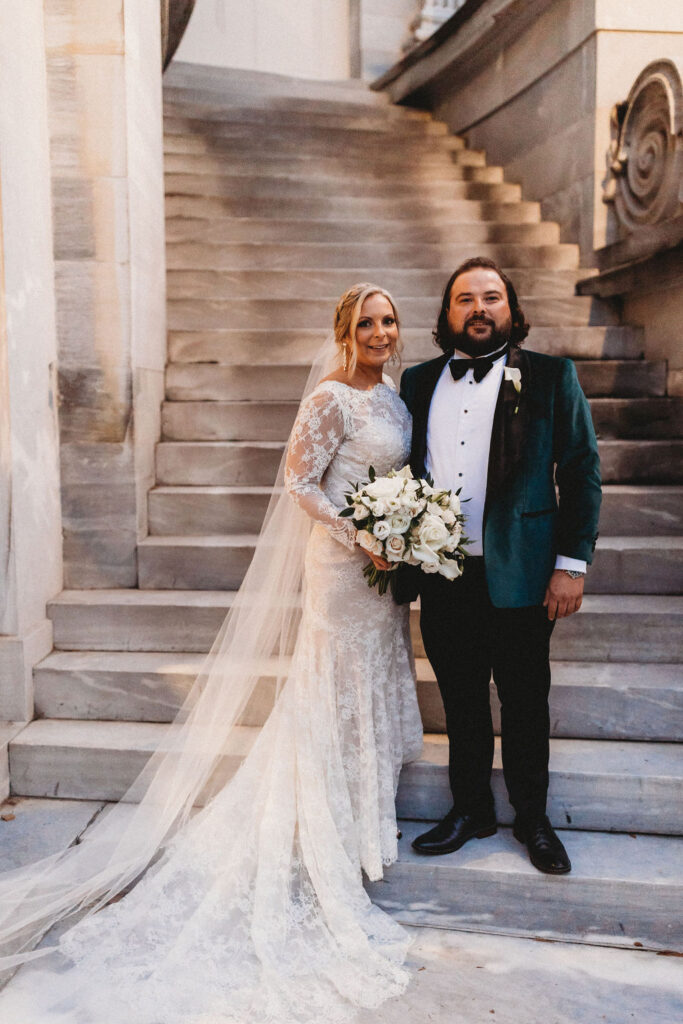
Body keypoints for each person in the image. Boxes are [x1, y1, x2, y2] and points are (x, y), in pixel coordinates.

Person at [0, 284, 424, 1023]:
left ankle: (367, 810)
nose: (381, 332)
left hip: (382, 570)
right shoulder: (330, 398)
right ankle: (330, 819)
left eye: (388, 320)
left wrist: (405, 530)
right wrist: (359, 532)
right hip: (339, 568)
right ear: (344, 331)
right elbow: (298, 481)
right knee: (332, 684)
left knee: (373, 672)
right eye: (367, 323)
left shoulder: (390, 393)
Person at [399, 257, 601, 875]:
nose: (478, 308)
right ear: (447, 314)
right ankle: (471, 810)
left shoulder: (551, 377)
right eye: (465, 299)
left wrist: (571, 565)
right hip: (444, 573)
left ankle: (533, 819)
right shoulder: (416, 382)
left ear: (511, 310)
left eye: (491, 297)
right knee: (460, 700)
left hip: (522, 572)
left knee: (523, 700)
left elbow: (582, 472)